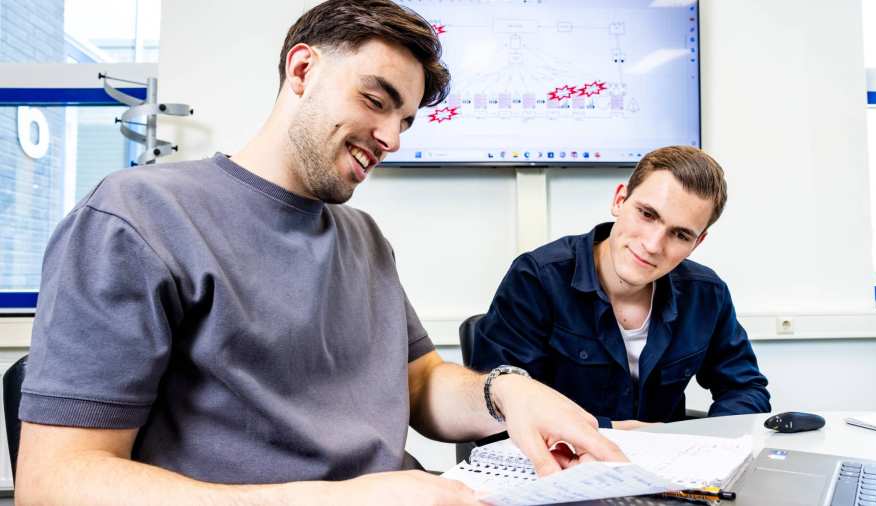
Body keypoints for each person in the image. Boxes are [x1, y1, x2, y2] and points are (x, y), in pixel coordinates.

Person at [15, 1, 625, 504]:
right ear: (301, 70)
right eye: (376, 100)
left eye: (406, 121)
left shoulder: (363, 238)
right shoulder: (138, 216)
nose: (390, 138)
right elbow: (56, 481)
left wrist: (505, 392)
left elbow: (418, 384)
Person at [470, 146, 771, 430]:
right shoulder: (537, 278)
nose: (653, 245)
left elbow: (746, 389)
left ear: (697, 243)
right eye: (648, 214)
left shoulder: (706, 294)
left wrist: (707, 442)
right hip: (557, 468)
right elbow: (496, 406)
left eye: (679, 234)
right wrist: (608, 431)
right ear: (619, 200)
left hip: (664, 475)